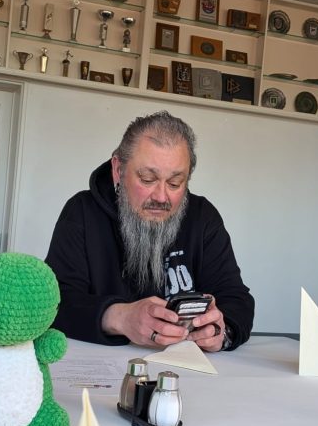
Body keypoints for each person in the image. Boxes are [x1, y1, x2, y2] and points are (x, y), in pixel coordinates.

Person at [45, 111, 254, 351]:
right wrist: (120, 317)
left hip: (185, 366)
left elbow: (236, 298)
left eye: (175, 183)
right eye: (147, 179)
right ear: (118, 169)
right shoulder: (81, 211)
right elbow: (56, 301)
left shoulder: (203, 217)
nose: (161, 197)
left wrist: (221, 332)